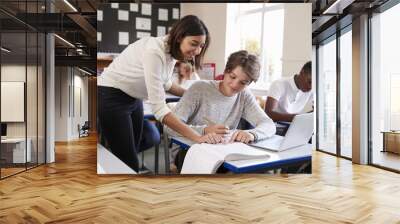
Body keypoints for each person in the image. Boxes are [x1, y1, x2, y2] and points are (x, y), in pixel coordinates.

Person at [98, 15, 215, 173]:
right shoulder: (154, 51)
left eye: (201, 45)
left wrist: (191, 94)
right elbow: (160, 111)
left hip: (133, 98)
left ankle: (118, 165)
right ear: (180, 37)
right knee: (129, 162)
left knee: (133, 148)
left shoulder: (172, 52)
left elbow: (165, 83)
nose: (198, 51)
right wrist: (196, 137)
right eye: (194, 44)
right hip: (111, 95)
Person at [166, 50, 276, 171]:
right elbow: (169, 128)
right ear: (225, 71)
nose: (235, 85)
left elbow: (268, 124)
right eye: (232, 77)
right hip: (189, 151)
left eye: (243, 82)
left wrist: (252, 134)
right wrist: (204, 130)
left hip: (224, 152)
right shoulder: (199, 89)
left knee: (260, 170)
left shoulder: (244, 95)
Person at [264, 61, 313, 136]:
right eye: (309, 82)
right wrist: (297, 118)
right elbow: (269, 113)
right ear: (302, 72)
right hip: (275, 128)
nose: (310, 87)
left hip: (294, 129)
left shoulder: (310, 91)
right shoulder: (279, 84)